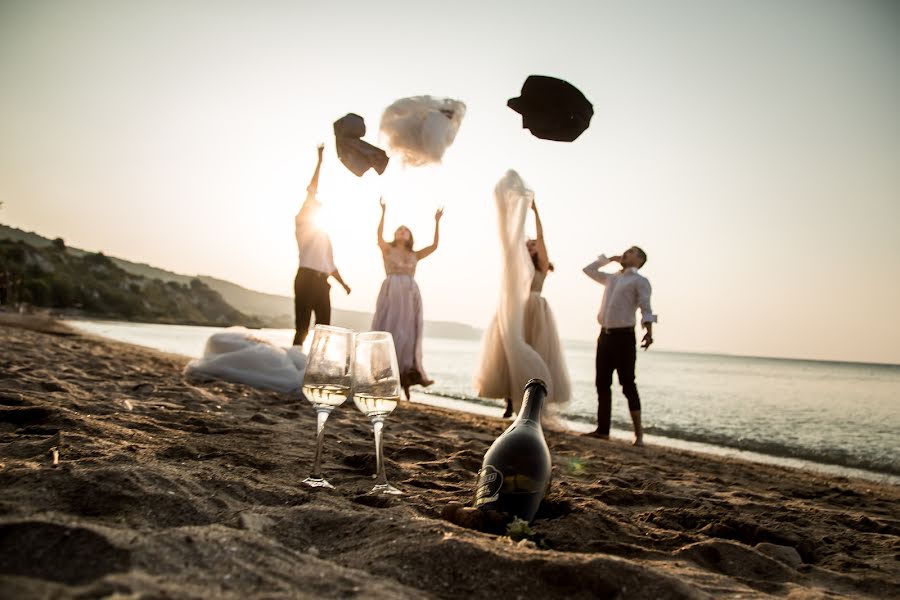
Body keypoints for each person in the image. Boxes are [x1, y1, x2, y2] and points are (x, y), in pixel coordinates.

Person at [475, 172, 571, 417]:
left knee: (535, 352)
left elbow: (541, 238)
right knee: (507, 352)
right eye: (527, 245)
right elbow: (511, 240)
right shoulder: (518, 267)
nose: (530, 247)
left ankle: (533, 403)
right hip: (514, 308)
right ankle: (510, 402)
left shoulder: (541, 267)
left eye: (532, 246)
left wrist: (534, 211)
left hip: (536, 311)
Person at [582, 247, 657, 445]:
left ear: (639, 259)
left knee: (627, 383)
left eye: (631, 252)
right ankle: (603, 430)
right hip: (604, 336)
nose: (625, 253)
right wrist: (607, 260)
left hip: (624, 337)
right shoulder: (612, 278)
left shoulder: (640, 281)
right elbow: (588, 270)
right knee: (602, 383)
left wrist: (649, 332)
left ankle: (638, 435)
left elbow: (646, 307)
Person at [372, 197, 443, 399]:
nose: (402, 231)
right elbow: (378, 236)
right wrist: (383, 212)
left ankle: (408, 378)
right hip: (392, 291)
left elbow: (435, 245)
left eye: (406, 229)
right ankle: (383, 377)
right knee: (389, 330)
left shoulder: (415, 254)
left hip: (410, 294)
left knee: (408, 335)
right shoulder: (388, 249)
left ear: (410, 235)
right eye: (399, 229)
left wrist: (437, 221)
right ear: (395, 234)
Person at [293, 144, 351, 346]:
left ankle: (318, 366)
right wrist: (320, 161)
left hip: (322, 283)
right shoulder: (303, 226)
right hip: (306, 278)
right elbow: (312, 190)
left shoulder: (324, 235)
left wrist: (343, 285)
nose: (316, 203)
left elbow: (331, 264)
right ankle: (296, 363)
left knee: (324, 327)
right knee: (302, 325)